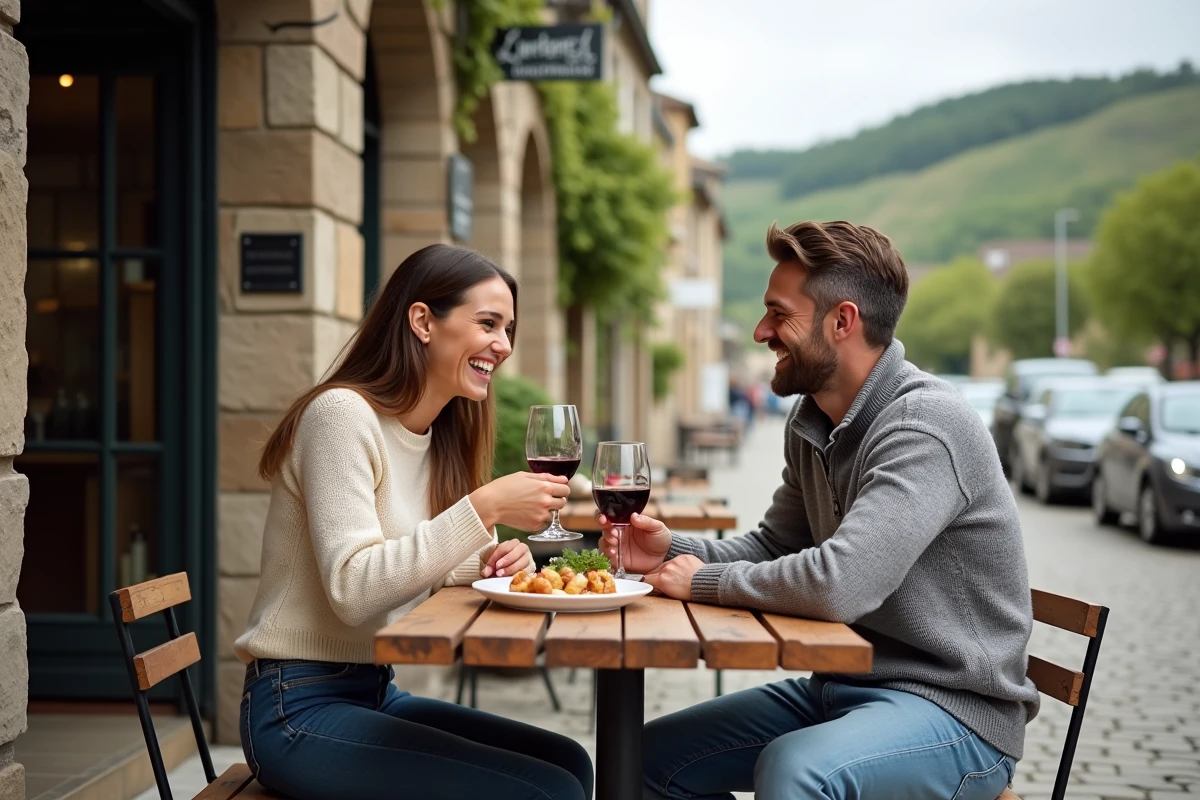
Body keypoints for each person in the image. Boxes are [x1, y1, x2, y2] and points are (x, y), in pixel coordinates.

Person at [600, 221, 1039, 800]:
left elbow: (840, 584)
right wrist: (675, 550)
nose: (761, 332)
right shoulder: (812, 422)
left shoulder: (924, 427)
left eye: (779, 314)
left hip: (954, 713)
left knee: (797, 769)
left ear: (842, 322)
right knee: (645, 759)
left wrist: (702, 580)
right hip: (840, 690)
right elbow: (775, 548)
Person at [236, 244, 594, 800]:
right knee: (547, 789)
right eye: (488, 323)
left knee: (569, 760)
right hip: (295, 708)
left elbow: (408, 554)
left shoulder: (437, 433)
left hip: (374, 689)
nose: (502, 346)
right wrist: (484, 510)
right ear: (423, 321)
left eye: (508, 329)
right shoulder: (340, 416)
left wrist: (491, 560)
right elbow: (354, 589)